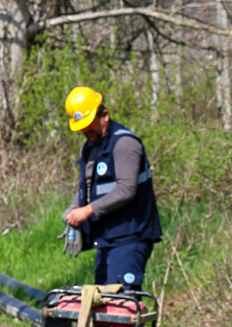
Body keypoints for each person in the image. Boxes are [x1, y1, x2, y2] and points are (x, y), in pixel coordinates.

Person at [62, 85, 163, 290]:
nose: (86, 131)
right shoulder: (91, 148)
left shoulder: (125, 144)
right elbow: (87, 186)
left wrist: (87, 211)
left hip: (130, 237)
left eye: (90, 124)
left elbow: (126, 189)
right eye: (82, 127)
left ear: (105, 116)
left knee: (120, 301)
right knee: (103, 301)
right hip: (107, 238)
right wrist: (74, 209)